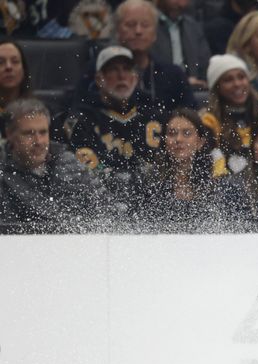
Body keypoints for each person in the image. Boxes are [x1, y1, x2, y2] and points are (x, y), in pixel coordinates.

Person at [0, 98, 107, 232]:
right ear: (10, 134)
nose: (38, 141)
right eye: (29, 134)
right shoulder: (2, 174)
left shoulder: (71, 165)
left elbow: (105, 210)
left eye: (43, 132)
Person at [67, 46, 163, 176]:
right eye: (113, 69)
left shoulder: (155, 117)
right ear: (99, 79)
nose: (122, 76)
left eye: (127, 69)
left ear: (135, 78)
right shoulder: (83, 121)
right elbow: (87, 172)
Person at [131, 108, 230, 232]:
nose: (178, 139)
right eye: (172, 133)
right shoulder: (149, 183)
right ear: (165, 142)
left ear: (200, 142)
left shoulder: (217, 184)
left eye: (187, 133)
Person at [201, 54, 258, 175]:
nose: (237, 84)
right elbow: (214, 170)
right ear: (217, 87)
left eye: (241, 77)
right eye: (228, 80)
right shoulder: (209, 122)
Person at [153, 0, 212, 87]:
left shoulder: (193, 27)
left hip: (193, 89)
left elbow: (205, 66)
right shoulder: (146, 26)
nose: (181, 4)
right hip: (159, 88)